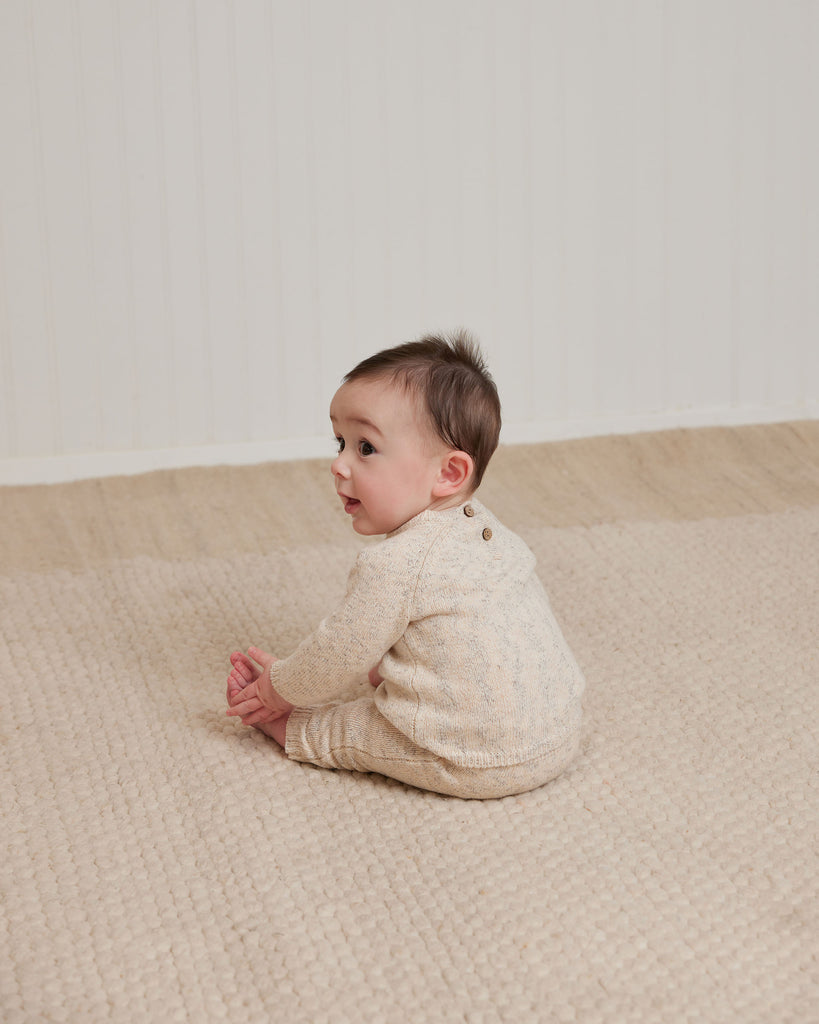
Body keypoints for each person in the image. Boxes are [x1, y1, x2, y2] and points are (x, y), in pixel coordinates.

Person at [225, 331, 585, 798]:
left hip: (477, 759)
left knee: (356, 729)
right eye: (340, 442)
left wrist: (280, 689)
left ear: (448, 473)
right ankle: (411, 675)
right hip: (560, 731)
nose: (339, 465)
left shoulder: (396, 565)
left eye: (365, 448)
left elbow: (338, 653)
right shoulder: (488, 531)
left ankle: (289, 728)